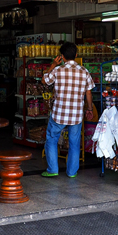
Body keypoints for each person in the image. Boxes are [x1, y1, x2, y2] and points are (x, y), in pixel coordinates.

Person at [41, 42, 94, 178]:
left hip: (59, 113)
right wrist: (89, 108)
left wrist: (53, 64)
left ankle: (53, 169)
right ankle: (72, 172)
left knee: (51, 139)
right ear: (76, 55)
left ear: (62, 57)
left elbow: (44, 81)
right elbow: (88, 92)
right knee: (74, 143)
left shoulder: (58, 70)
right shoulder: (84, 71)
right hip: (76, 114)